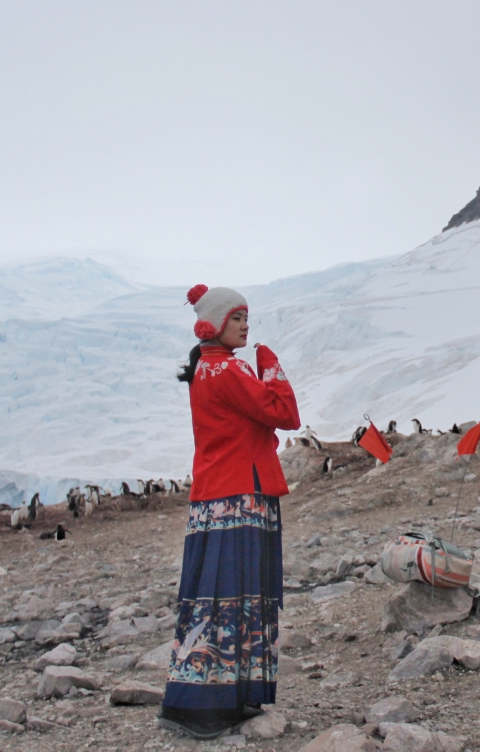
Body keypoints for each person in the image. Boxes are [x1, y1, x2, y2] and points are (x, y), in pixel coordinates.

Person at [158, 285, 301, 739]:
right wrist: (271, 366)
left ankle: (210, 695)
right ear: (217, 323)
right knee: (237, 594)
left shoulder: (206, 369)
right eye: (237, 317)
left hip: (216, 494)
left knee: (215, 596)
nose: (245, 325)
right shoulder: (226, 371)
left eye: (246, 317)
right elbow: (285, 413)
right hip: (239, 496)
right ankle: (213, 704)